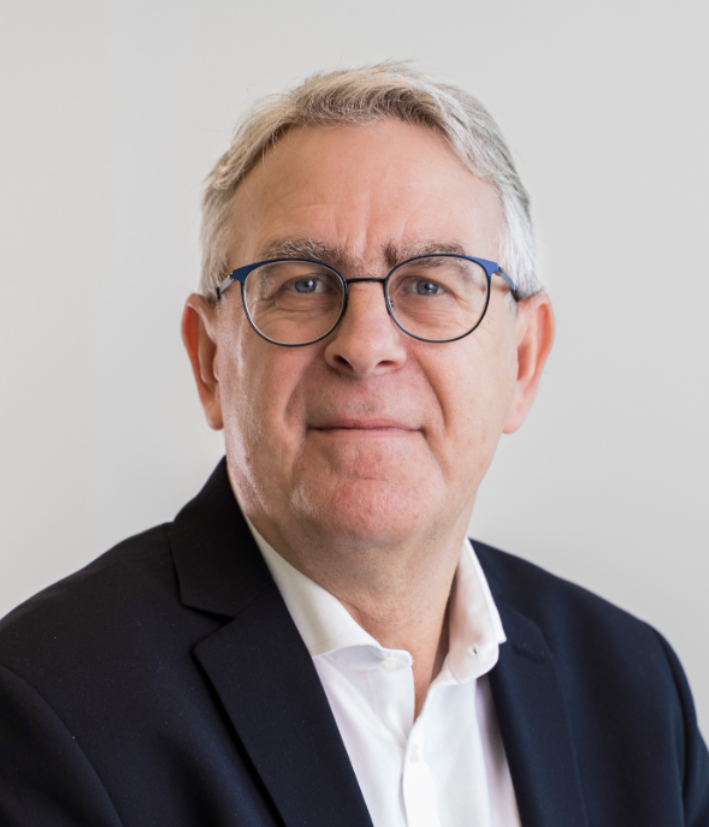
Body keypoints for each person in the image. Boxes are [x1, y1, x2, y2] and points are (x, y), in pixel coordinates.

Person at [0, 63, 707, 827]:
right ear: (210, 362)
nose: (365, 345)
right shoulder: (45, 704)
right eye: (301, 283)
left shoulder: (635, 691)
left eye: (429, 284)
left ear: (523, 361)